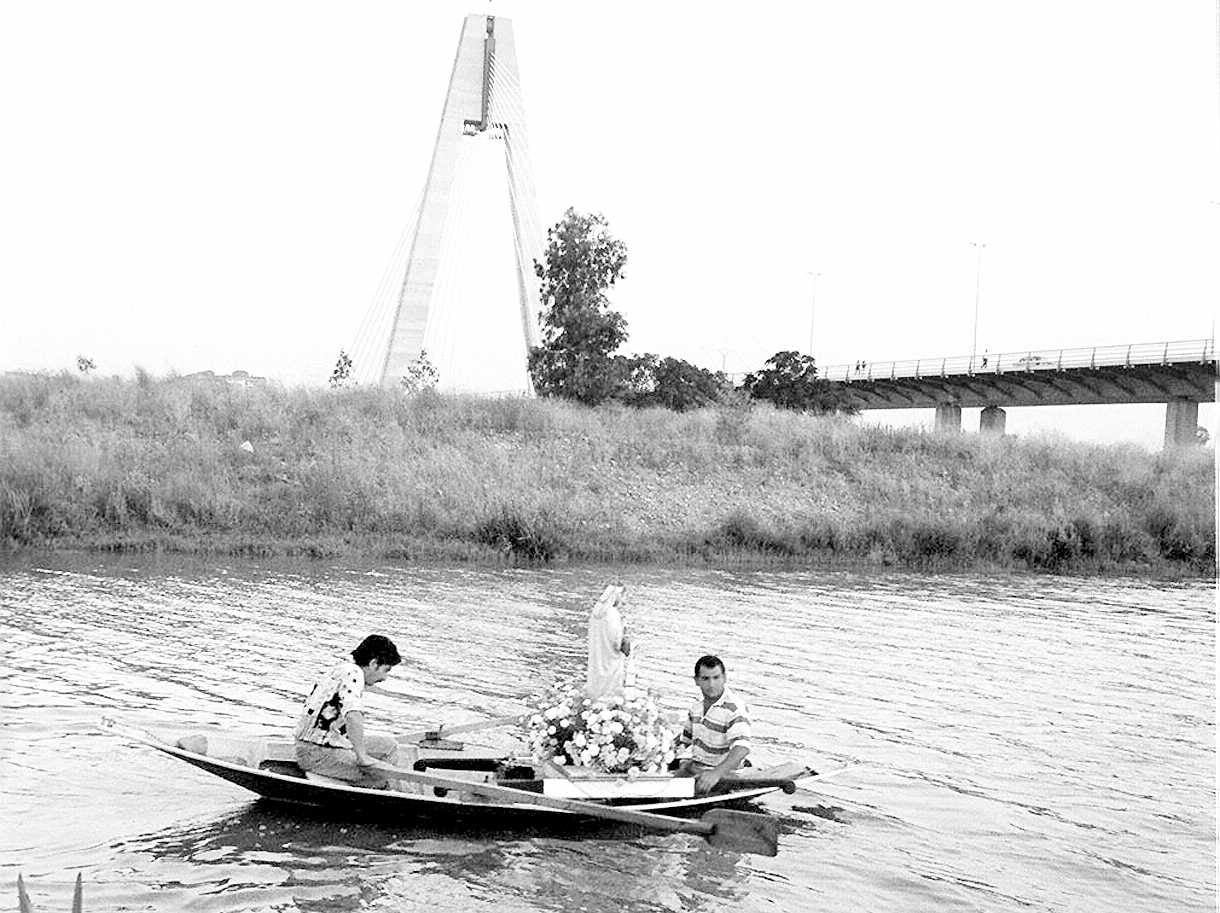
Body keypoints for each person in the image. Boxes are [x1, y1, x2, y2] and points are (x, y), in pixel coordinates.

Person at [294, 634, 403, 789]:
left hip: (323, 744)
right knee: (384, 774)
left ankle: (361, 782)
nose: (385, 677)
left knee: (389, 746)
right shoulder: (354, 674)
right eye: (386, 670)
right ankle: (371, 789)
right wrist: (362, 757)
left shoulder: (342, 668)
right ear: (373, 663)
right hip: (317, 752)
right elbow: (353, 716)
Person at [678, 654, 751, 794]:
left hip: (724, 777)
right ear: (697, 681)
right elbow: (684, 741)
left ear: (724, 678)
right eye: (705, 679)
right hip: (696, 769)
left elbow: (742, 748)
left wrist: (715, 774)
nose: (711, 684)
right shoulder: (696, 708)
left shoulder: (735, 709)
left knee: (665, 795)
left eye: (716, 678)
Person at [586, 584, 632, 701]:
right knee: (611, 678)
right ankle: (608, 699)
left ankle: (594, 696)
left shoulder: (597, 612)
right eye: (622, 596)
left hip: (598, 652)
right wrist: (624, 631)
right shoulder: (613, 614)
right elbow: (616, 641)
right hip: (610, 655)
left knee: (597, 674)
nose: (623, 601)